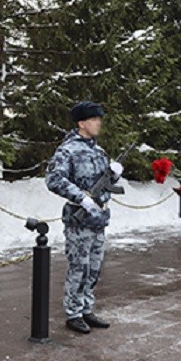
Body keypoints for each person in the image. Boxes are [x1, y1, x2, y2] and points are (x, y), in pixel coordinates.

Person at [45, 101, 124, 334]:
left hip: (98, 218)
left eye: (99, 119)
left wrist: (115, 175)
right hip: (79, 220)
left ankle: (87, 309)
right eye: (93, 120)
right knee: (79, 267)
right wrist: (81, 198)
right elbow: (53, 180)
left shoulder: (99, 151)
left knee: (94, 268)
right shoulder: (67, 150)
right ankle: (73, 313)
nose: (98, 123)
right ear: (82, 123)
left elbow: (102, 185)